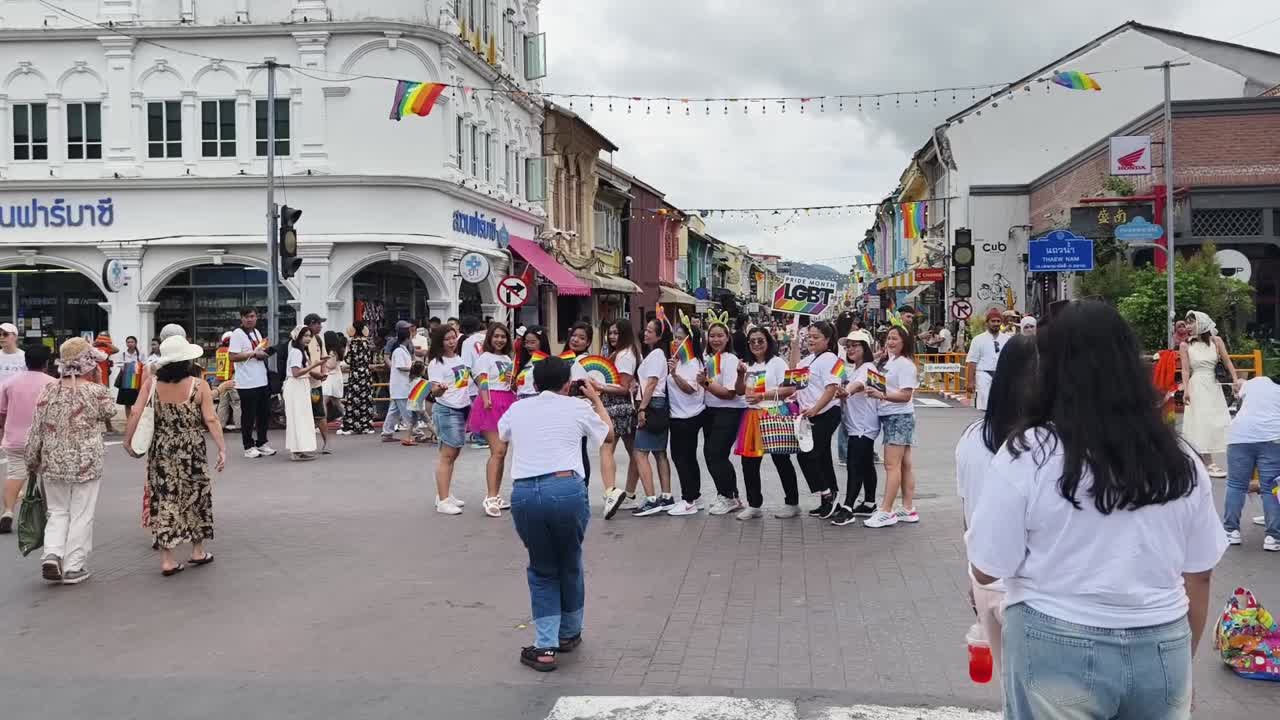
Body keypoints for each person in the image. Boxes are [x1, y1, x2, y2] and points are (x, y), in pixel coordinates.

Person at [967, 300, 1227, 719]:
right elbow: (1200, 572)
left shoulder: (1028, 454)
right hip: (1162, 640)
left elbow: (987, 567)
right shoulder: (1180, 459)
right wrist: (1181, 661)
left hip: (1054, 639)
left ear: (1049, 370)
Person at [499, 355, 610, 672]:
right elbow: (608, 434)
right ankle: (569, 632)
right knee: (570, 560)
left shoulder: (519, 408)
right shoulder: (578, 407)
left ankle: (545, 646)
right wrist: (594, 398)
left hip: (525, 493)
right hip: (566, 489)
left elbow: (502, 436)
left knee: (543, 568)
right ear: (568, 383)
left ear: (534, 384)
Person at [954, 334, 1038, 680]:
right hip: (1035, 590)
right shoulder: (1044, 443)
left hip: (987, 579)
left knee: (1011, 686)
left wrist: (975, 574)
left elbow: (967, 513)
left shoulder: (972, 436)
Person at [124, 335, 225, 576]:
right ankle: (198, 551)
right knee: (196, 495)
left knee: (165, 498)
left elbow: (137, 411)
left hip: (161, 447)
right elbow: (211, 418)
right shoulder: (199, 385)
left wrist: (128, 440)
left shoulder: (152, 383)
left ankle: (167, 559)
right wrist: (222, 448)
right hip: (191, 448)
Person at [26, 338, 116, 584]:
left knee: (57, 511)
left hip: (52, 461)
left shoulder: (48, 390)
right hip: (86, 462)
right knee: (81, 513)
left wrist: (31, 460)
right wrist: (98, 382)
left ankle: (52, 554)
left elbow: (36, 429)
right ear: (88, 365)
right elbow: (110, 412)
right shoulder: (95, 392)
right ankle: (74, 566)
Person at [735, 326, 800, 520]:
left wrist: (763, 395)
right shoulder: (748, 365)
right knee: (749, 462)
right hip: (753, 415)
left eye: (760, 340)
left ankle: (792, 503)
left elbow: (789, 389)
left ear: (768, 342)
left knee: (781, 460)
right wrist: (740, 375)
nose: (756, 344)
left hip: (774, 412)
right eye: (752, 341)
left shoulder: (777, 363)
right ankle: (754, 504)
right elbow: (739, 391)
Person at [864, 326, 920, 528]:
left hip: (899, 416)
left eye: (895, 338)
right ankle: (907, 508)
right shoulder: (890, 362)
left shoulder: (905, 365)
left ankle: (886, 510)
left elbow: (906, 395)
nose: (890, 342)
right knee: (904, 464)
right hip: (891, 416)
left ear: (905, 341)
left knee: (891, 465)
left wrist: (882, 395)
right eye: (889, 338)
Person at [1221, 369, 1280, 550]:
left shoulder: (1249, 385)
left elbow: (1238, 391)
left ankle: (1232, 532)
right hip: (1273, 437)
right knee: (1271, 487)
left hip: (1240, 437)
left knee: (1236, 485)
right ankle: (1273, 537)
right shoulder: (1277, 390)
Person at [0, 344, 54, 534]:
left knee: (15, 473)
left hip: (15, 438)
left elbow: (2, 412)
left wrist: (3, 431)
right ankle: (50, 515)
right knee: (46, 476)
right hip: (44, 439)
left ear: (25, 361)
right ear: (46, 363)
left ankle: (7, 512)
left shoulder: (10, 383)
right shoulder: (53, 384)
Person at [1179, 310, 1240, 478]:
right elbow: (1185, 370)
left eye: (1192, 322)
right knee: (1202, 422)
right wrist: (1186, 390)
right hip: (1197, 385)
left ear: (1202, 323)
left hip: (1213, 385)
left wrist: (1235, 380)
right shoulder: (1185, 345)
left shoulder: (1216, 341)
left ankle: (1201, 460)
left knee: (1218, 421)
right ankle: (1209, 462)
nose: (1188, 327)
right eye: (1187, 323)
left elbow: (1227, 361)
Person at [793, 320, 844, 519]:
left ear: (827, 339)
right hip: (809, 415)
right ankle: (829, 496)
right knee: (820, 457)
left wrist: (816, 408)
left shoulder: (831, 359)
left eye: (815, 337)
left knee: (808, 454)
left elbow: (831, 388)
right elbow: (793, 373)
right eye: (809, 336)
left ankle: (827, 493)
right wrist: (795, 344)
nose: (811, 340)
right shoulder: (808, 360)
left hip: (826, 412)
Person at [829, 330, 879, 526]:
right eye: (848, 346)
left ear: (864, 348)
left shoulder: (867, 368)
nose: (850, 349)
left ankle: (848, 507)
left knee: (854, 464)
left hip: (863, 426)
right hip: (857, 425)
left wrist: (845, 391)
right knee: (866, 463)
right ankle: (869, 502)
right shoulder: (855, 368)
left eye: (855, 345)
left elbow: (857, 386)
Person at [699, 318, 746, 515]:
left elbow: (729, 393)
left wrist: (706, 383)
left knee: (716, 453)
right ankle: (729, 494)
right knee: (711, 454)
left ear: (728, 338)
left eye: (720, 336)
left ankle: (727, 496)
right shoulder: (707, 358)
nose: (716, 340)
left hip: (729, 411)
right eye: (712, 336)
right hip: (711, 411)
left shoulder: (730, 360)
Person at [469, 324, 516, 517]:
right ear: (490, 338)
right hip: (491, 403)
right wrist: (487, 398)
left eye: (503, 337)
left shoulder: (507, 358)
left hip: (507, 401)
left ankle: (496, 494)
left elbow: (510, 380)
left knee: (502, 452)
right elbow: (483, 379)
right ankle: (490, 496)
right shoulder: (485, 358)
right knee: (497, 450)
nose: (499, 340)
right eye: (496, 336)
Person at [595, 319, 639, 519]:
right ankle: (628, 493)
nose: (612, 336)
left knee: (607, 449)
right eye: (610, 332)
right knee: (635, 453)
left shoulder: (624, 355)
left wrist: (599, 386)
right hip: (624, 408)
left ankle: (612, 492)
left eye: (616, 333)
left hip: (616, 407)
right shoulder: (626, 352)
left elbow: (622, 387)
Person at [631, 318, 676, 516]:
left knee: (640, 452)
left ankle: (651, 499)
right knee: (659, 452)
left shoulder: (656, 354)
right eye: (646, 329)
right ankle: (666, 496)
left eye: (650, 331)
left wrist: (642, 408)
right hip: (658, 404)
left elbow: (651, 383)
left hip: (652, 404)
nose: (646, 333)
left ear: (659, 336)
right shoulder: (657, 354)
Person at [664, 322, 707, 516]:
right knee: (687, 458)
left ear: (690, 340)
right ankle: (695, 496)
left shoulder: (694, 363)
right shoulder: (678, 360)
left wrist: (674, 374)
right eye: (675, 337)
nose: (676, 341)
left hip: (688, 417)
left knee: (681, 458)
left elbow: (690, 389)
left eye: (680, 337)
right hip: (678, 415)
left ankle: (688, 499)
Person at [429, 323, 472, 515]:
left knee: (453, 454)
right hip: (447, 410)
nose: (452, 342)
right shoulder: (436, 363)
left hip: (462, 408)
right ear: (440, 341)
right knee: (447, 455)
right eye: (447, 339)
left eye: (454, 337)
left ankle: (444, 494)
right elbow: (435, 391)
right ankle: (443, 500)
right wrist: (440, 389)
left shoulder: (459, 358)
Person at [227, 308, 276, 459]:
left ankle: (262, 442)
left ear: (257, 318)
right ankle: (248, 446)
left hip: (261, 380)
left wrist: (263, 353)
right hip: (246, 382)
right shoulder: (237, 334)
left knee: (263, 414)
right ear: (241, 318)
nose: (250, 319)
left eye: (252, 316)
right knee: (248, 416)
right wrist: (253, 353)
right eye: (246, 317)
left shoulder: (256, 333)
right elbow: (232, 356)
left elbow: (257, 351)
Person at [282, 326, 327, 460]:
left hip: (300, 386)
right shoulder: (296, 352)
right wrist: (314, 365)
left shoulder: (301, 351)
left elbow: (304, 370)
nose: (308, 338)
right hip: (296, 386)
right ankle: (296, 451)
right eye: (305, 335)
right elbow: (296, 373)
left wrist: (317, 373)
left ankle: (299, 450)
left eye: (309, 336)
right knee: (298, 419)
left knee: (301, 419)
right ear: (298, 337)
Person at [381, 321, 417, 445]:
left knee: (394, 410)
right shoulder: (398, 350)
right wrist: (414, 369)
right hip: (401, 385)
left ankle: (387, 432)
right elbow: (401, 367)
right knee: (407, 411)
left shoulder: (403, 348)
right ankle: (416, 432)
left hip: (400, 384)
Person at [302, 314, 333, 453]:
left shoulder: (319, 339)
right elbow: (304, 363)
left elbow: (323, 358)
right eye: (318, 324)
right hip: (302, 384)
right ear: (310, 324)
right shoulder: (301, 341)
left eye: (320, 324)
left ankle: (326, 443)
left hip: (315, 385)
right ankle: (304, 445)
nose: (320, 326)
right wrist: (316, 374)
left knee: (319, 414)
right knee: (303, 415)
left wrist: (324, 372)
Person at [339, 321, 376, 435]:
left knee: (353, 400)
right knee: (365, 399)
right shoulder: (367, 342)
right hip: (365, 373)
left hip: (355, 374)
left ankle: (351, 426)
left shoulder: (352, 342)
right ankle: (366, 426)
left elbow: (348, 359)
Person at [965, 308, 1006, 411]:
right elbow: (972, 361)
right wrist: (970, 382)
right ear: (987, 323)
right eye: (993, 321)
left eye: (998, 321)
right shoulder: (978, 340)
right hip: (984, 375)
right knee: (986, 405)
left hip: (1003, 375)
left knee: (1001, 406)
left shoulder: (1007, 339)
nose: (996, 324)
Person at [459, 316, 488, 449]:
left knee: (477, 410)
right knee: (487, 409)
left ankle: (480, 437)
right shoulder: (486, 337)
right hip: (491, 377)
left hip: (475, 381)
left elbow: (466, 366)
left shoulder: (467, 342)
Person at [514, 325, 551, 400]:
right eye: (526, 342)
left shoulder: (548, 362)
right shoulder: (523, 362)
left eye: (532, 342)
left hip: (538, 401)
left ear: (542, 342)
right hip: (520, 401)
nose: (528, 346)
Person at [113, 335, 143, 418]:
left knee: (138, 403)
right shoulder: (122, 354)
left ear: (135, 343)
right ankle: (129, 420)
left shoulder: (140, 354)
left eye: (132, 342)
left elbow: (144, 365)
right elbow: (119, 365)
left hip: (137, 382)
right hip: (126, 382)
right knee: (127, 404)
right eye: (128, 342)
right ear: (126, 344)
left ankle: (136, 420)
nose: (130, 343)